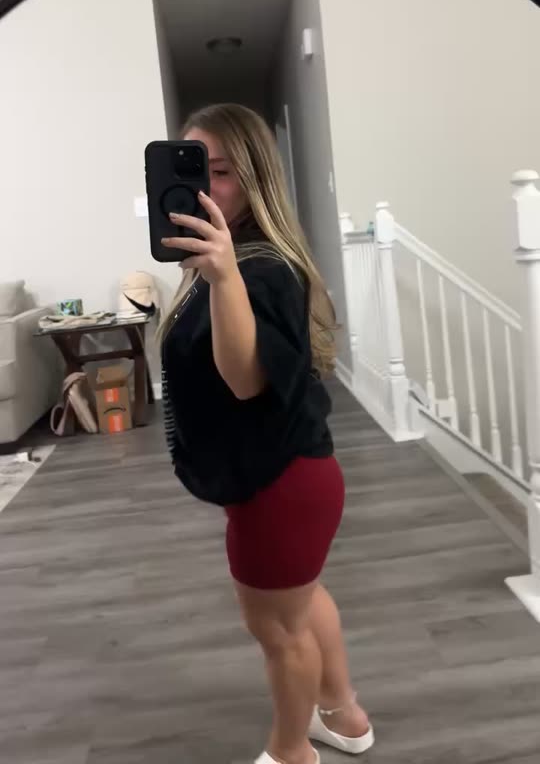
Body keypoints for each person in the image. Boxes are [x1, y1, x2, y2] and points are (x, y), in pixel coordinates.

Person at [159, 104, 374, 764]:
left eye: (222, 171)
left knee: (278, 629)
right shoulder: (228, 262)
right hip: (286, 474)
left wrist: (222, 275)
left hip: (278, 485)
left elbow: (247, 379)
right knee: (301, 604)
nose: (205, 186)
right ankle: (343, 717)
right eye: (193, 168)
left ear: (255, 180)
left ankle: (290, 752)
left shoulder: (258, 269)